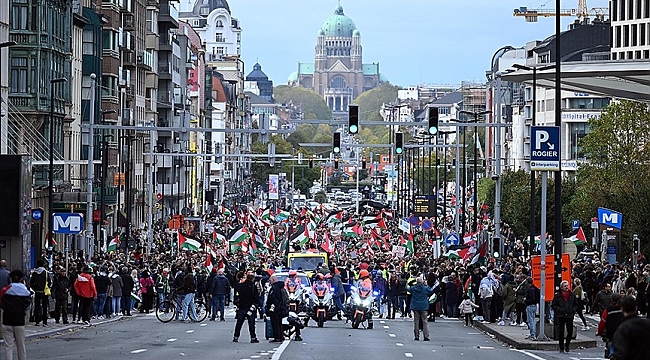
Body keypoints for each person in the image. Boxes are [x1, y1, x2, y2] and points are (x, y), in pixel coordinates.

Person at [0, 269, 31, 360]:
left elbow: (1, 302)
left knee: (8, 346)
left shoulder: (5, 290)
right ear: (21, 279)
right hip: (19, 320)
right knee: (21, 346)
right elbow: (28, 303)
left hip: (7, 320)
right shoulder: (25, 291)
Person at [610, 296, 650, 360]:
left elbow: (619, 352)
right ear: (636, 307)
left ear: (622, 309)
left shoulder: (623, 328)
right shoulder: (647, 324)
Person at [551, 280, 577, 353]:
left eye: (567, 285)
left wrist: (573, 310)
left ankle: (567, 344)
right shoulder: (558, 295)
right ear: (561, 287)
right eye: (565, 286)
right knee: (561, 332)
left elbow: (575, 304)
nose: (566, 287)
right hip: (561, 315)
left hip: (569, 315)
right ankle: (561, 347)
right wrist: (560, 310)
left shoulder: (572, 294)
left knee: (570, 331)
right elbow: (554, 305)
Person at [232, 272, 260, 343]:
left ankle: (236, 337)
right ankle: (253, 337)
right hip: (250, 307)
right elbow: (256, 298)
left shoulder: (240, 286)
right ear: (252, 279)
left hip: (241, 307)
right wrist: (255, 305)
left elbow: (237, 295)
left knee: (239, 323)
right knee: (251, 324)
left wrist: (237, 304)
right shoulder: (253, 287)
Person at [407, 277, 433, 341]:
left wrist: (411, 283)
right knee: (425, 321)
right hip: (423, 306)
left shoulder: (413, 288)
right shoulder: (425, 288)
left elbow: (408, 288)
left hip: (415, 306)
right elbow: (431, 291)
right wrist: (426, 285)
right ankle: (426, 336)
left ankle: (416, 336)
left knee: (416, 321)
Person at [267, 274, 291, 342]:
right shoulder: (282, 288)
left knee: (275, 323)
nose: (270, 282)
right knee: (279, 322)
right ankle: (281, 336)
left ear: (273, 280)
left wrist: (269, 307)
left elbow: (272, 298)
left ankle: (277, 337)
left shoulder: (274, 288)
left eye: (270, 280)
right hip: (282, 308)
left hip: (275, 308)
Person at [30, 259, 51, 326]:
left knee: (37, 306)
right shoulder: (46, 273)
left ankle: (37, 321)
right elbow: (49, 282)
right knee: (45, 306)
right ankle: (44, 321)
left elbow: (31, 283)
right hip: (44, 291)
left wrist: (35, 288)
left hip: (37, 292)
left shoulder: (34, 273)